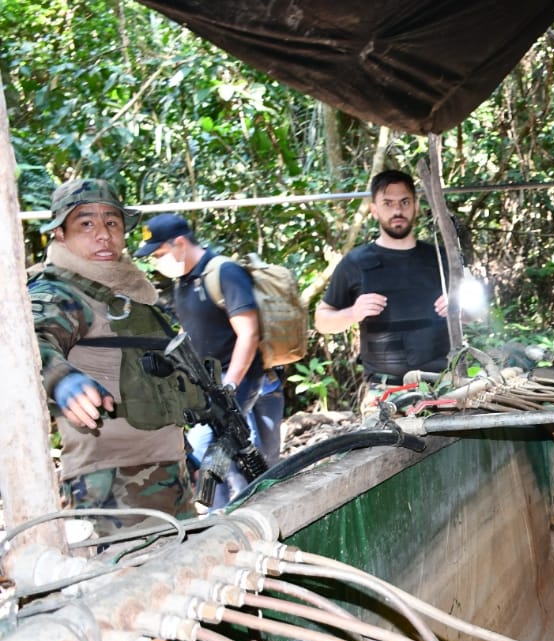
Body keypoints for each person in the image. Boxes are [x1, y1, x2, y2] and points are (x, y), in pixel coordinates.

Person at [28, 178, 198, 529]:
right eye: (86, 223)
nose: (103, 235)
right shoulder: (60, 292)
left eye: (112, 223)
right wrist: (62, 379)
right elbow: (32, 340)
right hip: (111, 484)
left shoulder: (131, 292)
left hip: (170, 471)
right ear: (60, 233)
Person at [134, 213, 283, 508]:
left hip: (240, 380)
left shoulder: (224, 273)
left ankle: (246, 516)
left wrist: (230, 386)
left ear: (179, 243)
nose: (156, 262)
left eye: (159, 253)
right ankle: (227, 519)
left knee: (215, 455)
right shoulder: (183, 282)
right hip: (209, 384)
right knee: (225, 466)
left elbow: (249, 334)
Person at [315, 169, 450, 415]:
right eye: (388, 203)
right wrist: (353, 313)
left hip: (442, 385)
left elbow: (477, 312)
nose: (397, 211)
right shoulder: (355, 262)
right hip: (383, 391)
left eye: (404, 202)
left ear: (416, 206)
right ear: (374, 209)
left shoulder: (440, 258)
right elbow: (322, 321)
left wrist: (460, 308)